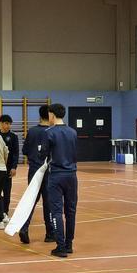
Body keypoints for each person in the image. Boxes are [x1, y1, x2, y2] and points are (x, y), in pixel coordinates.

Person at [40, 103, 78, 258]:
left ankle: (60, 246)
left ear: (52, 115)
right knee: (70, 211)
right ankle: (69, 244)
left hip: (56, 175)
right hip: (72, 175)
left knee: (56, 211)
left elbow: (43, 154)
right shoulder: (73, 132)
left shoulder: (49, 132)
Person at [19, 104, 55, 245]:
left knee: (31, 200)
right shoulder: (53, 131)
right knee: (49, 202)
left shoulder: (32, 131)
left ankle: (24, 227)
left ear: (40, 115)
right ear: (51, 115)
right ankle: (50, 233)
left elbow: (25, 151)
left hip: (34, 169)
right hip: (49, 170)